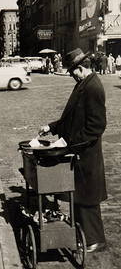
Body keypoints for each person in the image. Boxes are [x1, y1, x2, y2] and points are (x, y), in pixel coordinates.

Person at [38, 48, 107, 253]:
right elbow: (71, 118)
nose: (71, 76)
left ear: (80, 68)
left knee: (88, 199)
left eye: (72, 72)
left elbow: (96, 126)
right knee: (79, 195)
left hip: (86, 154)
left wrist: (72, 145)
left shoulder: (93, 87)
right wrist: (52, 127)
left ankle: (97, 240)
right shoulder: (83, 84)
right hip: (79, 152)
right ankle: (84, 235)